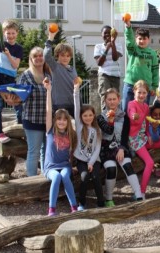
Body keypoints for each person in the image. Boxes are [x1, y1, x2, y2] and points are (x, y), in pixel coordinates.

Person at [97, 88, 143, 205]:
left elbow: (124, 134)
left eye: (114, 99)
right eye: (109, 99)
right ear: (105, 101)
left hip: (121, 146)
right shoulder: (101, 117)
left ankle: (139, 195)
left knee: (127, 165)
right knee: (111, 168)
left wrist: (122, 148)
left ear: (119, 100)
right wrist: (111, 121)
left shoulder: (124, 116)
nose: (112, 102)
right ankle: (109, 198)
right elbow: (108, 130)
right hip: (107, 149)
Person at [43, 78, 78, 216]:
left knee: (64, 175)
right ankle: (52, 209)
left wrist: (75, 91)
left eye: (64, 119)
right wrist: (49, 90)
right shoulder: (50, 131)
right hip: (50, 166)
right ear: (55, 120)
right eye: (59, 119)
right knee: (56, 177)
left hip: (65, 165)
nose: (61, 121)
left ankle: (74, 207)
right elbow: (48, 110)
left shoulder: (71, 133)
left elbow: (73, 152)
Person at [18, 46, 50, 176]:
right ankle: (31, 181)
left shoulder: (48, 75)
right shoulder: (26, 75)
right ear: (31, 59)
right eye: (35, 56)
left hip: (47, 120)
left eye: (40, 55)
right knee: (34, 152)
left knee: (46, 151)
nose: (38, 58)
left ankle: (44, 177)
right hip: (32, 119)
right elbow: (20, 97)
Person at [73, 79, 104, 210]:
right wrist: (76, 91)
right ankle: (82, 202)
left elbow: (97, 148)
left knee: (96, 177)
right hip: (81, 159)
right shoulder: (79, 127)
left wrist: (91, 162)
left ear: (94, 116)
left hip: (94, 159)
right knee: (84, 177)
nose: (88, 117)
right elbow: (76, 107)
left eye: (90, 115)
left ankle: (101, 203)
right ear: (81, 117)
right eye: (85, 115)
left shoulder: (97, 130)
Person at [122, 16, 159, 111]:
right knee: (126, 111)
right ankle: (126, 126)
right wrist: (128, 26)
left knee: (142, 112)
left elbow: (155, 70)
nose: (142, 41)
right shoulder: (133, 49)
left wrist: (154, 87)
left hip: (145, 87)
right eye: (140, 38)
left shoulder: (153, 53)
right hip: (130, 84)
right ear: (136, 39)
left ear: (149, 39)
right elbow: (129, 40)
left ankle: (142, 127)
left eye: (144, 38)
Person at [127, 80, 154, 199]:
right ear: (134, 92)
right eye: (139, 92)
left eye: (144, 93)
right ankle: (141, 192)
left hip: (142, 136)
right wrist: (134, 116)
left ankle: (136, 151)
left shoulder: (146, 106)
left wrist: (148, 134)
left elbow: (146, 122)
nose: (142, 95)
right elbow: (133, 115)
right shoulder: (131, 104)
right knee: (150, 162)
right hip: (134, 138)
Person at [44, 29, 77, 117]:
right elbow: (47, 56)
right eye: (62, 55)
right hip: (59, 105)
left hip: (73, 105)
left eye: (68, 56)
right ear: (57, 56)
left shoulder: (73, 69)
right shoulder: (55, 66)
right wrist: (50, 38)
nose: (65, 58)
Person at [94, 25, 123, 110]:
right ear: (101, 35)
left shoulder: (118, 45)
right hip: (104, 74)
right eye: (105, 33)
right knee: (105, 96)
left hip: (115, 75)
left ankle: (114, 119)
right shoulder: (98, 46)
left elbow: (115, 58)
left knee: (114, 98)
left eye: (109, 33)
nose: (107, 35)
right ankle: (104, 119)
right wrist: (107, 49)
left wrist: (113, 43)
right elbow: (99, 63)